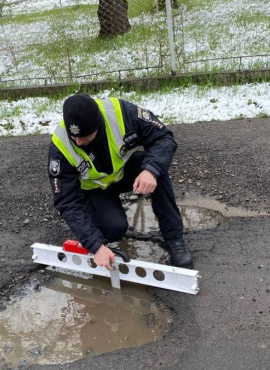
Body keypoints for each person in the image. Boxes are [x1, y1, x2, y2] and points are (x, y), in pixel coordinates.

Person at [47, 93, 194, 270]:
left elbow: (163, 138)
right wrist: (96, 246)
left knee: (157, 169)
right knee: (114, 229)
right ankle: (96, 221)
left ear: (98, 124)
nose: (79, 142)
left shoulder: (122, 113)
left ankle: (174, 239)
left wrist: (150, 170)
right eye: (74, 137)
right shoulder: (60, 146)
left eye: (85, 136)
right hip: (95, 189)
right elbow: (67, 201)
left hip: (123, 172)